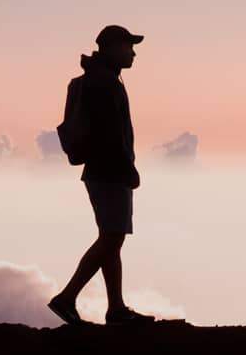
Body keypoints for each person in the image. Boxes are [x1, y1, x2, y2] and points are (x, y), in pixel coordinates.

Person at [46, 25, 156, 326]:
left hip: (101, 170)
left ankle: (116, 309)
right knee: (111, 237)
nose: (132, 52)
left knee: (112, 238)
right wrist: (128, 169)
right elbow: (110, 134)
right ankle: (66, 298)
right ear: (110, 48)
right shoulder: (104, 82)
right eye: (127, 46)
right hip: (109, 171)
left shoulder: (101, 79)